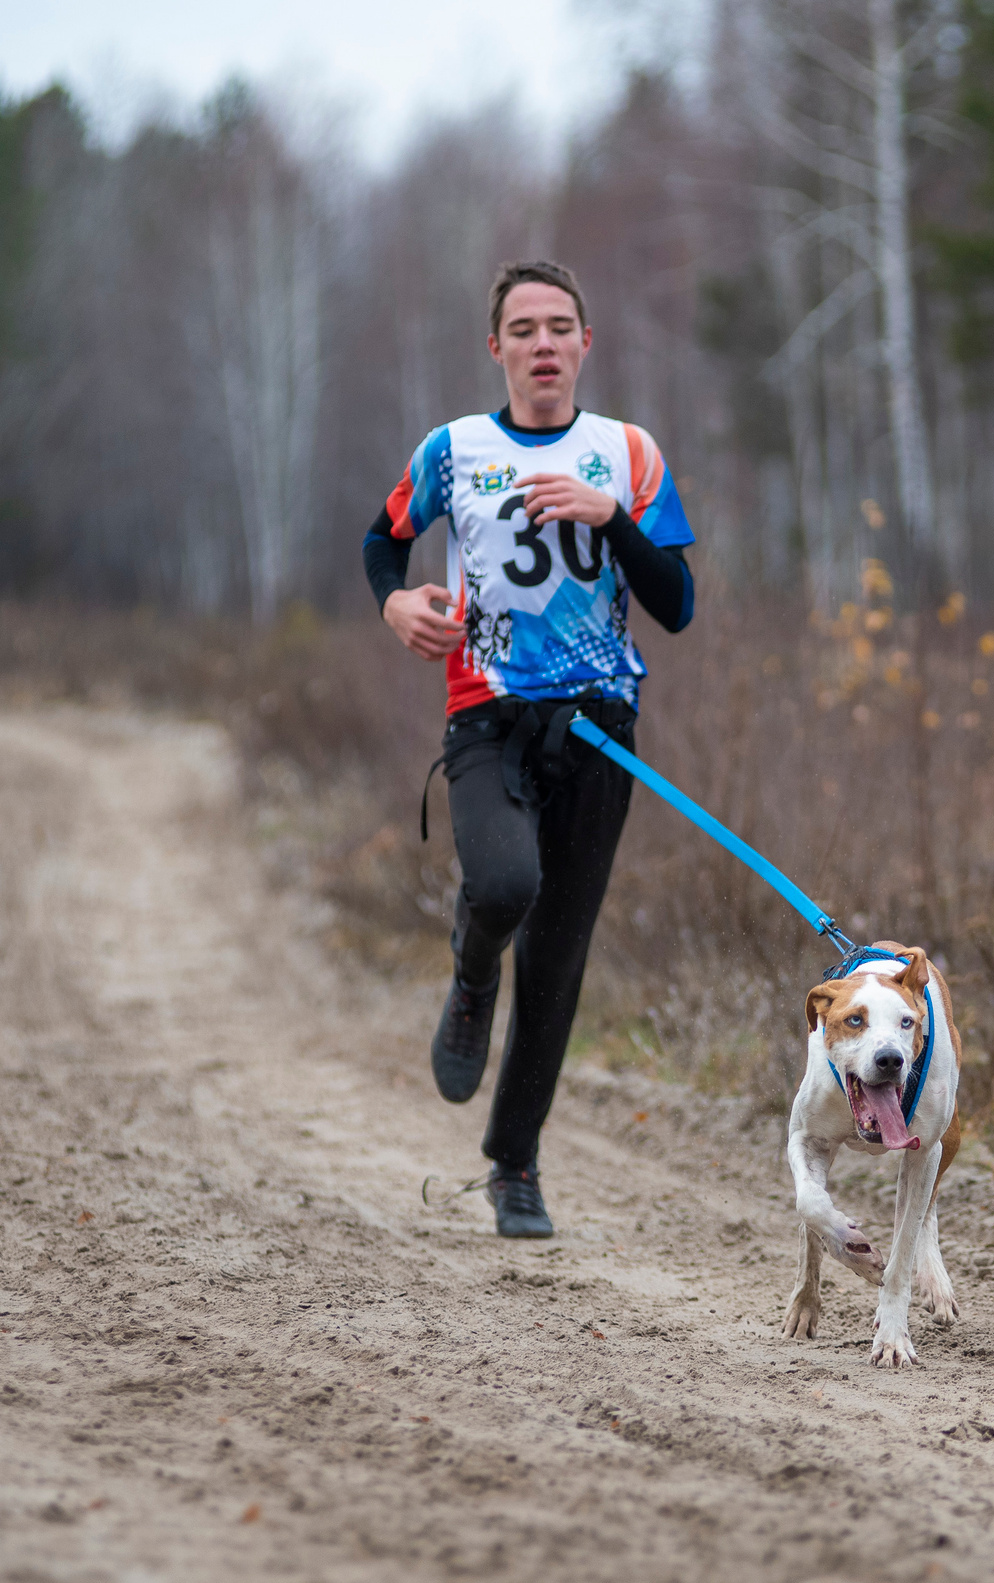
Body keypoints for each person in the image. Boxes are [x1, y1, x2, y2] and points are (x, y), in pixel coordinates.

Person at [363, 260, 696, 1238]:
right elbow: (382, 540)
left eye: (559, 326)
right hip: (488, 716)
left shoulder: (627, 452)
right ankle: (472, 976)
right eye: (523, 328)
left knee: (557, 957)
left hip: (599, 727)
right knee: (505, 884)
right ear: (496, 347)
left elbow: (677, 604)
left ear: (586, 342)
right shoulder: (454, 449)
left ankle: (515, 1163)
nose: (542, 343)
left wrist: (612, 517)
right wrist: (394, 601)